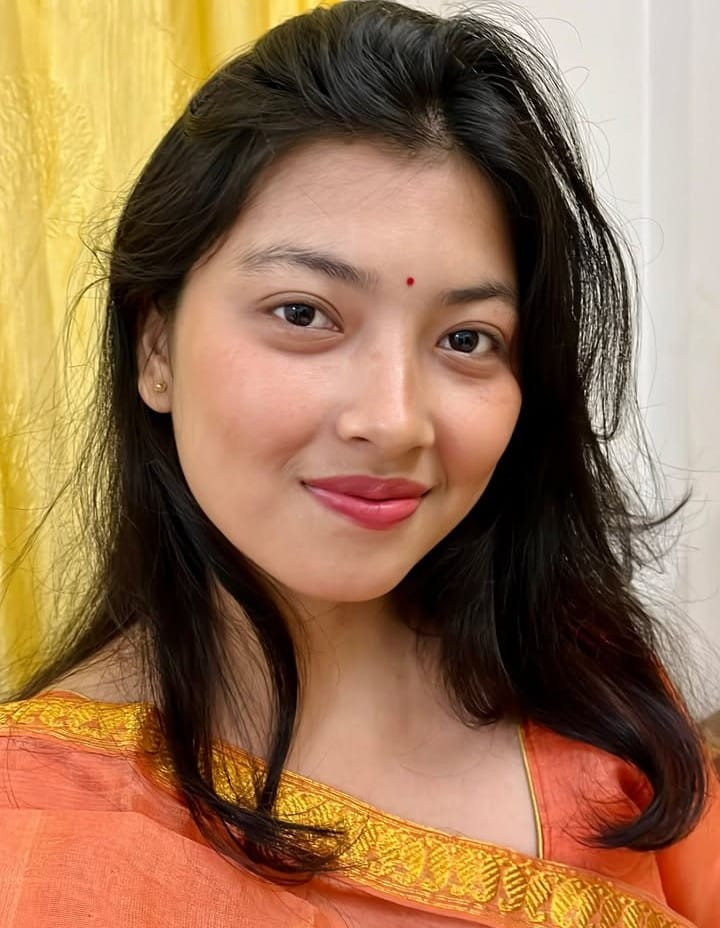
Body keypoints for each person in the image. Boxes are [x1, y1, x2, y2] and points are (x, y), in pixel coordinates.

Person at [1, 1, 717, 925]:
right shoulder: (35, 837)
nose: (394, 420)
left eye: (467, 338)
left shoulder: (602, 703)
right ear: (156, 348)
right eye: (303, 314)